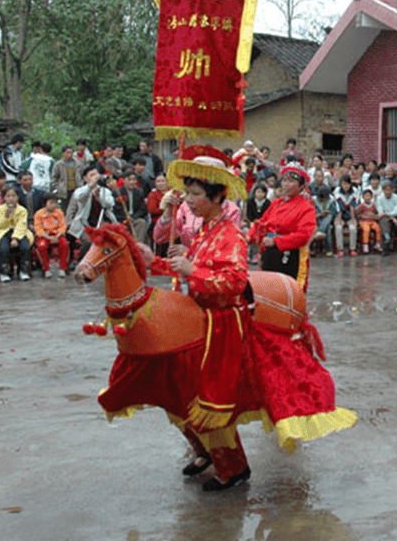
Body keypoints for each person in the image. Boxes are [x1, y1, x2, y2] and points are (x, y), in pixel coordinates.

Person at [131, 152, 355, 490]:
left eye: (195, 195)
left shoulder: (230, 234)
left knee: (211, 401)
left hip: (222, 327)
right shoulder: (206, 231)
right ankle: (205, 451)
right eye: (187, 194)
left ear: (217, 196)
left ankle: (233, 467)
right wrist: (157, 263)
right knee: (179, 393)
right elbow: (191, 270)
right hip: (198, 320)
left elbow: (235, 282)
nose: (188, 201)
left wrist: (193, 270)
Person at [248, 164, 317, 289]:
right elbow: (261, 223)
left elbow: (303, 236)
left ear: (301, 186)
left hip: (291, 255)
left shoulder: (307, 208)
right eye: (284, 180)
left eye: (291, 181)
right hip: (269, 253)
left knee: (287, 292)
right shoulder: (276, 203)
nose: (286, 184)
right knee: (267, 290)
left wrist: (276, 241)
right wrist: (247, 238)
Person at [66, 167, 117, 264]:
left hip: (101, 222)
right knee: (88, 241)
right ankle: (83, 262)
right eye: (91, 175)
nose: (95, 177)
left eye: (96, 174)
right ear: (85, 178)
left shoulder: (104, 191)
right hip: (84, 224)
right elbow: (80, 198)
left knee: (111, 238)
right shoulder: (80, 190)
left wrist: (99, 196)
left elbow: (109, 204)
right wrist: (90, 187)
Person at [0, 187, 33, 281]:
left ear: (18, 197)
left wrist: (15, 238)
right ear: (4, 198)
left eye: (13, 196)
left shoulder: (22, 210)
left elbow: (22, 224)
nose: (11, 198)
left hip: (19, 232)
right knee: (3, 248)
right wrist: (7, 215)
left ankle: (23, 271)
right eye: (8, 196)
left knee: (25, 247)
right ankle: (5, 273)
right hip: (4, 232)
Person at [33, 193, 68, 277]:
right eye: (51, 203)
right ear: (45, 203)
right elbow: (38, 229)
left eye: (55, 203)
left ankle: (62, 268)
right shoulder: (38, 214)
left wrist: (58, 235)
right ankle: (46, 269)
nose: (54, 205)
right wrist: (48, 237)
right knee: (42, 246)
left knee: (64, 244)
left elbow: (62, 226)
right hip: (45, 236)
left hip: (57, 235)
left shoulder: (59, 213)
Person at [330, 174, 359, 257]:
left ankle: (352, 249)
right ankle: (340, 249)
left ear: (350, 184)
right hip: (339, 214)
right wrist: (338, 219)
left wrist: (353, 218)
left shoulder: (354, 191)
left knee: (353, 228)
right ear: (341, 184)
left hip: (350, 214)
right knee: (338, 228)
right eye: (343, 184)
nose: (345, 186)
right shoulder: (337, 191)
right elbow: (340, 206)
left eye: (347, 184)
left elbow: (353, 205)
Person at [118, 170, 149, 243]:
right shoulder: (118, 192)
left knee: (142, 222)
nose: (132, 182)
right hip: (122, 219)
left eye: (133, 179)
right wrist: (126, 218)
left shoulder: (139, 192)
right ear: (124, 180)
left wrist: (134, 217)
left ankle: (138, 245)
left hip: (134, 218)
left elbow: (142, 209)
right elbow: (117, 208)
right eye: (129, 179)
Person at [50, 145, 83, 213]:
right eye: (67, 153)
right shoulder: (58, 164)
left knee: (76, 209)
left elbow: (82, 175)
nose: (69, 155)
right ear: (63, 153)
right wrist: (59, 187)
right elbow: (54, 178)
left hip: (76, 190)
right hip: (64, 191)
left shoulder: (78, 163)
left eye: (71, 153)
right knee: (65, 209)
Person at [374, 180, 397, 255]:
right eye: (385, 190)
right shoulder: (379, 198)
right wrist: (391, 218)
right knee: (383, 220)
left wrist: (390, 216)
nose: (387, 192)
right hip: (385, 217)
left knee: (387, 219)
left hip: (396, 216)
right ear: (383, 190)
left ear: (392, 190)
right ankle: (387, 238)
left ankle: (386, 242)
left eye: (389, 189)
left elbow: (395, 211)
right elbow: (380, 211)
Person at [355, 188, 383, 254]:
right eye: (366, 196)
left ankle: (377, 244)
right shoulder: (361, 206)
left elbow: (376, 214)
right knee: (366, 229)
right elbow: (357, 214)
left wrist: (375, 216)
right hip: (363, 221)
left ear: (371, 197)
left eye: (369, 196)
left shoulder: (373, 206)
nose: (367, 198)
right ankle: (365, 245)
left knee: (377, 228)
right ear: (363, 197)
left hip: (372, 221)